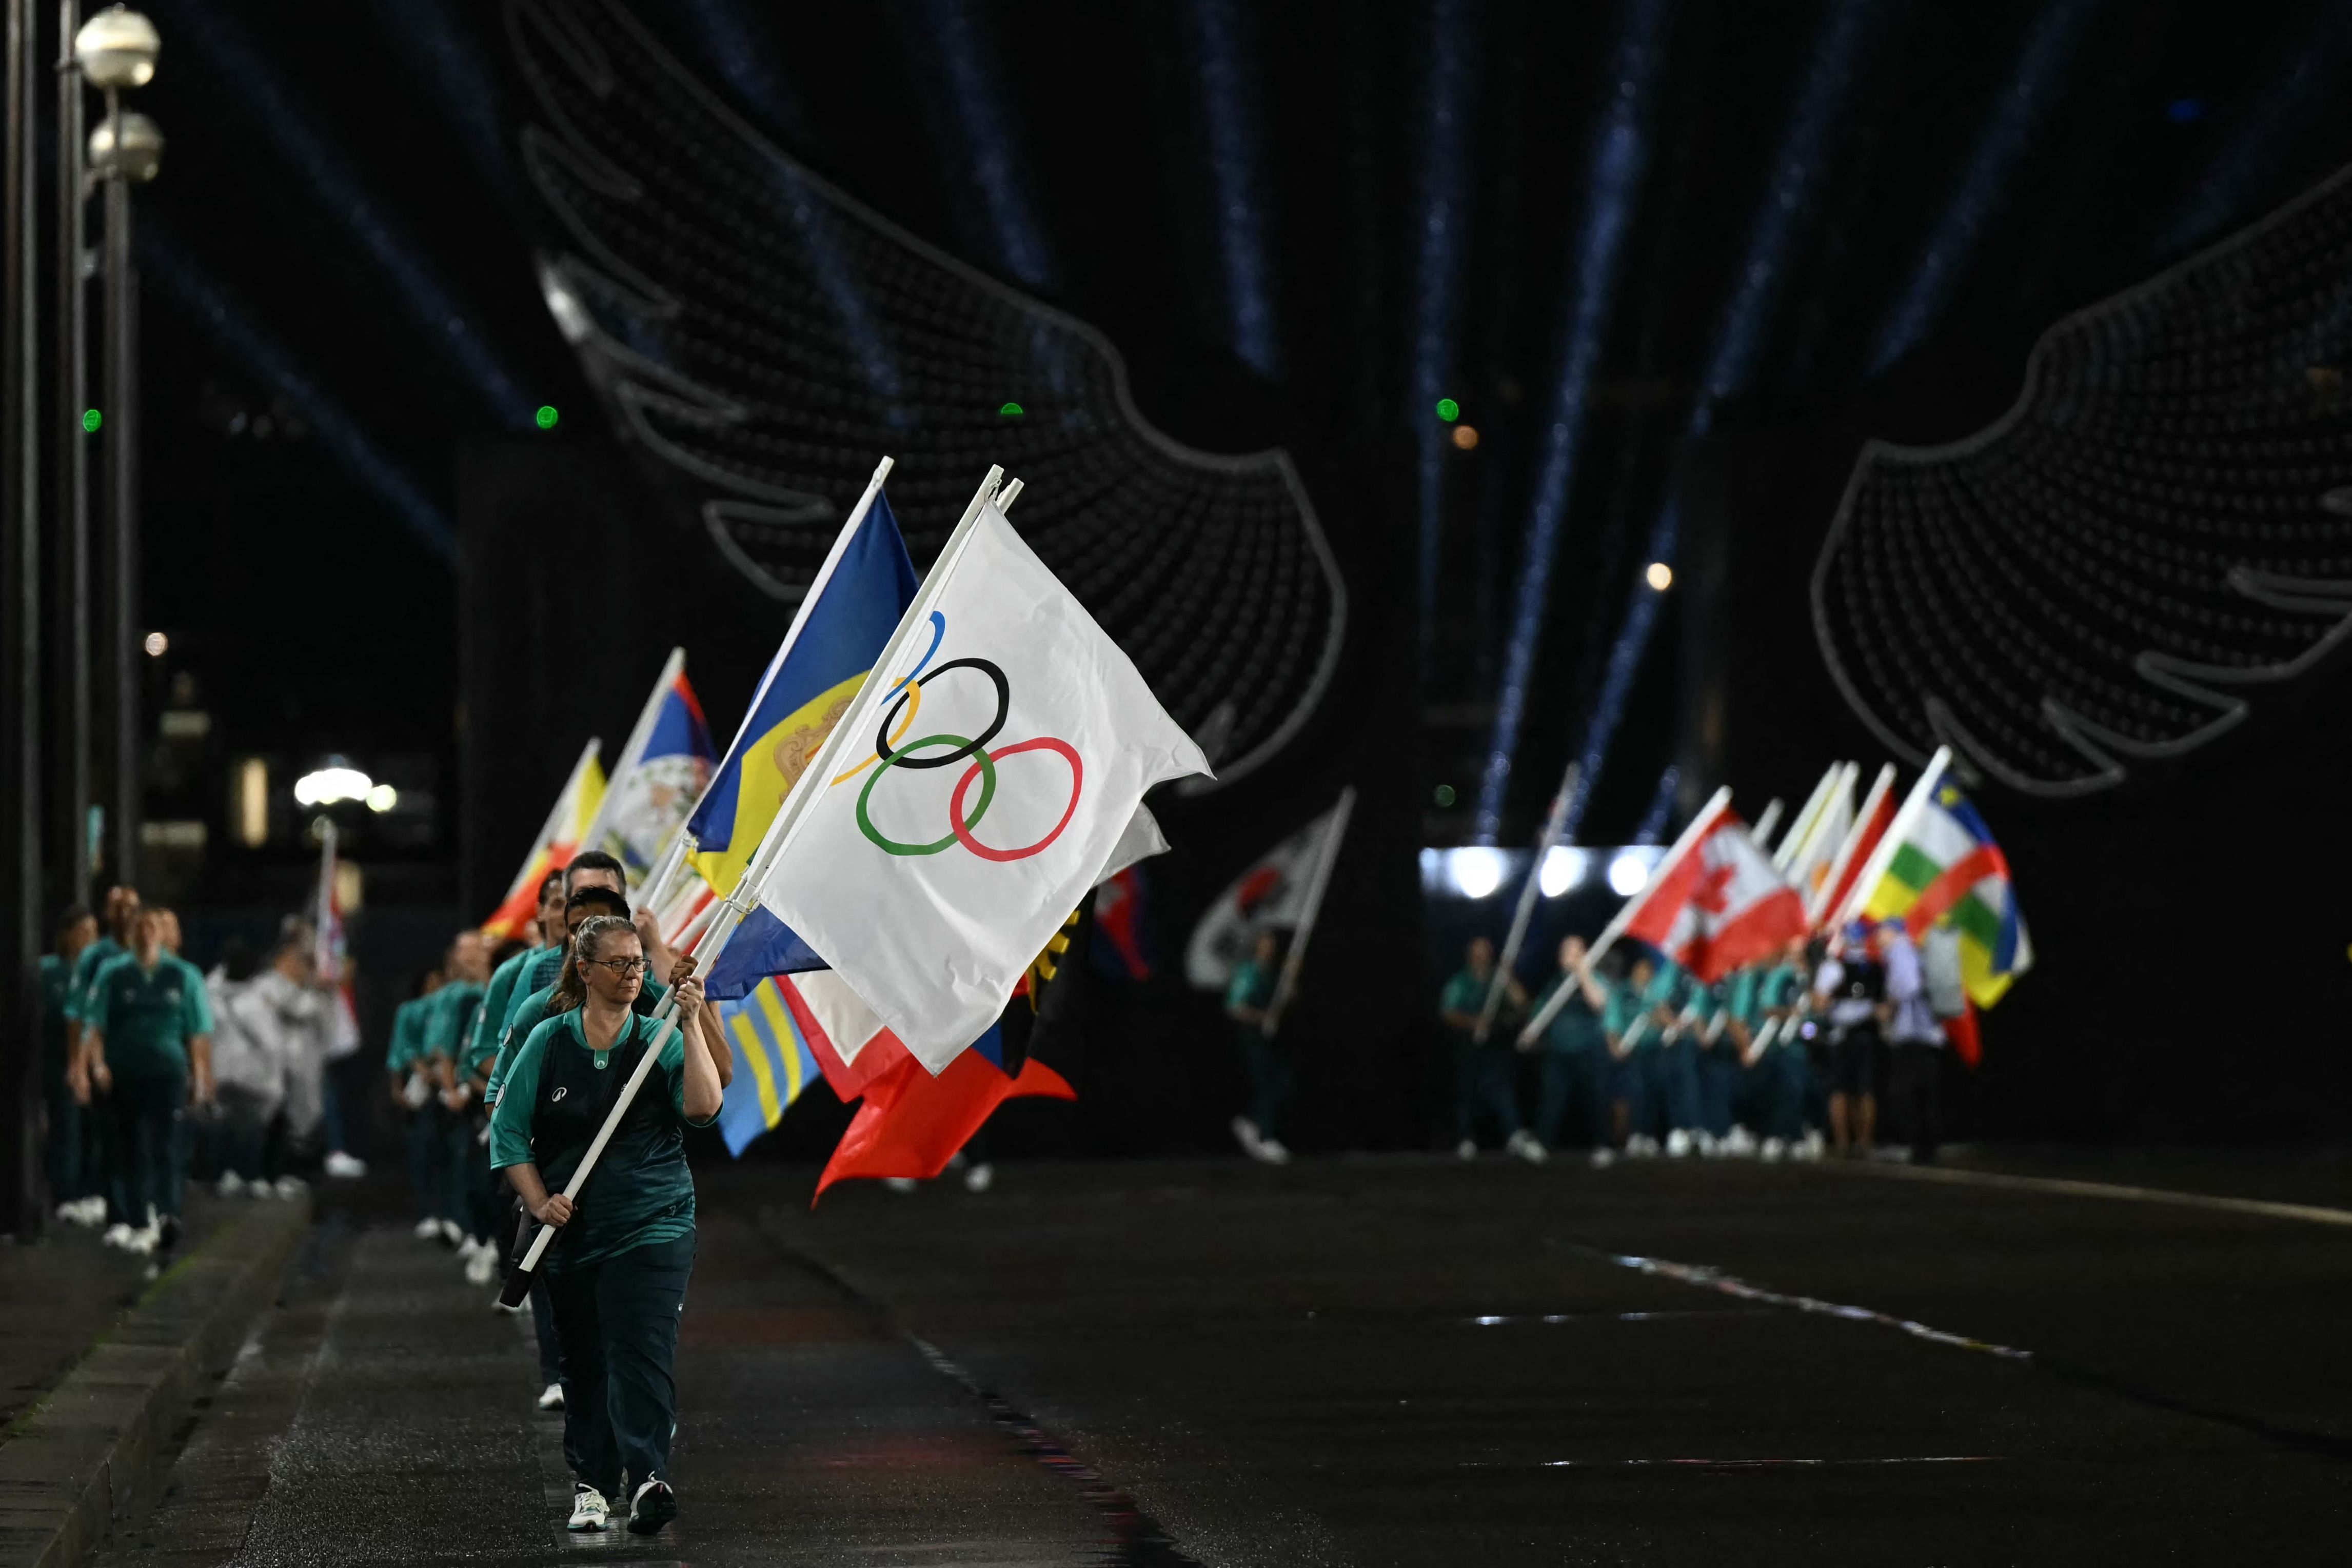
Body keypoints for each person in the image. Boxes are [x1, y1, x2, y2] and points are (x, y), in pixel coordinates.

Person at [491, 914, 721, 1537]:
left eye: (637, 964)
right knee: (586, 1359)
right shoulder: (549, 1040)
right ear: (585, 970)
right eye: (618, 964)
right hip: (573, 1234)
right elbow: (508, 1133)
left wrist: (693, 1022)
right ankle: (592, 1483)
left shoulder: (660, 1037)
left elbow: (702, 1107)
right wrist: (540, 1203)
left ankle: (648, 1476)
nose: (631, 974)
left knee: (641, 1350)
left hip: (655, 1222)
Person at [83, 906, 214, 1254]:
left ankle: (168, 1212)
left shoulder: (182, 975)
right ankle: (136, 1217)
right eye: (139, 928)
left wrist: (200, 1077)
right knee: (130, 1146)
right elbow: (94, 1024)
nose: (145, 934)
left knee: (166, 1145)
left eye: (151, 928)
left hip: (168, 1071)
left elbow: (197, 1031)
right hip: (126, 1070)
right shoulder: (114, 973)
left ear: (162, 934)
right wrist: (97, 1066)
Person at [239, 920, 334, 1196]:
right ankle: (264, 1175)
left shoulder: (299, 990)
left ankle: (282, 1174)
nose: (304, 967)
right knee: (270, 1126)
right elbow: (301, 1009)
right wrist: (321, 987)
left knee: (293, 1126)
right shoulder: (266, 985)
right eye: (299, 961)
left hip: (293, 1071)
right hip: (267, 1070)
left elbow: (316, 1015)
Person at [64, 885, 140, 1225]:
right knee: (104, 1132)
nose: (125, 915)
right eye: (118, 908)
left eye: (131, 908)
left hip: (139, 1057)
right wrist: (77, 1063)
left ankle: (137, 1204)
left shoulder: (147, 953)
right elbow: (77, 1011)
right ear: (108, 914)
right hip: (104, 1057)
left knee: (139, 1135)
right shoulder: (95, 957)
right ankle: (103, 1199)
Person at [421, 930, 493, 1245]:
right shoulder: (453, 997)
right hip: (469, 1089)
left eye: (474, 950)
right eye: (462, 951)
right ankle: (467, 1229)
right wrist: (452, 1088)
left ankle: (482, 1235)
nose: (468, 958)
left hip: (496, 1083)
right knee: (464, 1159)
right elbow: (444, 1047)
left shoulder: (498, 984)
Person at [1440, 937, 1539, 1163]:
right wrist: (1473, 1022)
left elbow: (1522, 1004)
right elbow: (1448, 1013)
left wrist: (1508, 978)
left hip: (1496, 1045)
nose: (1481, 956)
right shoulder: (1461, 981)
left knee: (1502, 1089)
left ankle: (1514, 1135)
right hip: (1468, 1045)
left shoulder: (1498, 979)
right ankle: (1465, 1138)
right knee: (1466, 1092)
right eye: (1477, 952)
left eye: (1485, 952)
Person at [1523, 935, 1613, 1167]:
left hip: (1588, 1050)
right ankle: (1542, 1143)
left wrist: (1582, 972)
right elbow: (1540, 1013)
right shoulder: (1555, 984)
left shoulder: (1596, 978)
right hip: (1559, 1050)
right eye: (1565, 952)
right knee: (1552, 1098)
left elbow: (1600, 1004)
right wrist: (1531, 1033)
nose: (1567, 956)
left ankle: (1603, 1145)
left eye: (1573, 952)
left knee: (1595, 1099)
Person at [208, 939, 284, 1195]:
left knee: (232, 1126)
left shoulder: (211, 992)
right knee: (250, 1129)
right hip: (252, 1075)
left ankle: (231, 1174)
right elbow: (270, 1040)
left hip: (223, 1070)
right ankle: (248, 1175)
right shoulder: (256, 996)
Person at [42, 905, 100, 1226]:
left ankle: (87, 1193)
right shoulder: (48, 971)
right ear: (66, 935)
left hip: (93, 1066)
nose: (90, 939)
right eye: (83, 932)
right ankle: (65, 1196)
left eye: (94, 933)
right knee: (66, 1130)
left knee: (92, 1132)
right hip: (59, 1063)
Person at [1812, 921, 1884, 1155]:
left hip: (1846, 1035)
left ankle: (1848, 1141)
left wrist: (1836, 1001)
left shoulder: (1835, 968)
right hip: (1860, 1035)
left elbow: (1819, 1003)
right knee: (1861, 1089)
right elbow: (1884, 1007)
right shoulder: (1873, 968)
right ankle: (1862, 1141)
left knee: (1844, 1089)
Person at [1877, 919, 1945, 1163]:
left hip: (1912, 1034)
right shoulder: (1917, 950)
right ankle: (1926, 1147)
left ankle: (1906, 1144)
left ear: (1893, 932)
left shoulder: (1900, 950)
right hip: (1931, 1034)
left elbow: (1907, 986)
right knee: (1926, 1093)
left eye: (1881, 931)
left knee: (1904, 1093)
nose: (1877, 937)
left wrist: (1888, 1006)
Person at [1223, 929, 1291, 1165]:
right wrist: (1261, 1017)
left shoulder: (1272, 972)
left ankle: (1255, 1124)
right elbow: (1234, 1007)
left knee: (1281, 1081)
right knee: (1266, 1082)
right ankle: (1263, 1134)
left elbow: (1283, 1003)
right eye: (1265, 944)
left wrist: (1292, 980)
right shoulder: (1249, 972)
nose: (1269, 948)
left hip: (1268, 1036)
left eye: (1271, 944)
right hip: (1251, 1035)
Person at [387, 967, 445, 1237]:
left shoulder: (449, 1005)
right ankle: (427, 1210)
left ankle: (445, 1212)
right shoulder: (410, 1010)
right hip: (420, 1086)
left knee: (442, 1149)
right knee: (421, 1147)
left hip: (445, 1082)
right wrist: (398, 1083)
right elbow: (400, 1048)